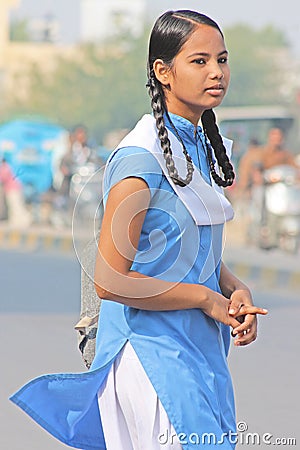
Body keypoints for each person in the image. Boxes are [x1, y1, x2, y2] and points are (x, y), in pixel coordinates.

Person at [10, 10, 268, 449]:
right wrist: (206, 299)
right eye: (200, 61)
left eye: (222, 60)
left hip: (198, 351)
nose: (217, 73)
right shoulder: (140, 159)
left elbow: (185, 246)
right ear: (162, 72)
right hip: (150, 355)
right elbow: (110, 280)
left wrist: (231, 287)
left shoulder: (198, 146)